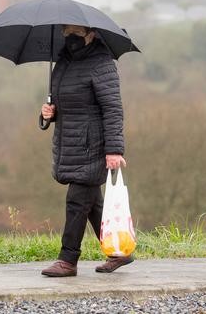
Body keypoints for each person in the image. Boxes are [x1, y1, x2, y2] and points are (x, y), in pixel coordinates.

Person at [38, 24, 134, 277]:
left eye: (76, 34)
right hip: (70, 141)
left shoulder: (102, 64)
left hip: (94, 145)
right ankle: (119, 252)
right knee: (91, 204)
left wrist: (114, 150)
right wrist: (49, 113)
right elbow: (66, 102)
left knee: (77, 201)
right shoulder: (63, 62)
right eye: (66, 33)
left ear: (91, 34)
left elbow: (113, 109)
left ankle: (67, 260)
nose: (70, 38)